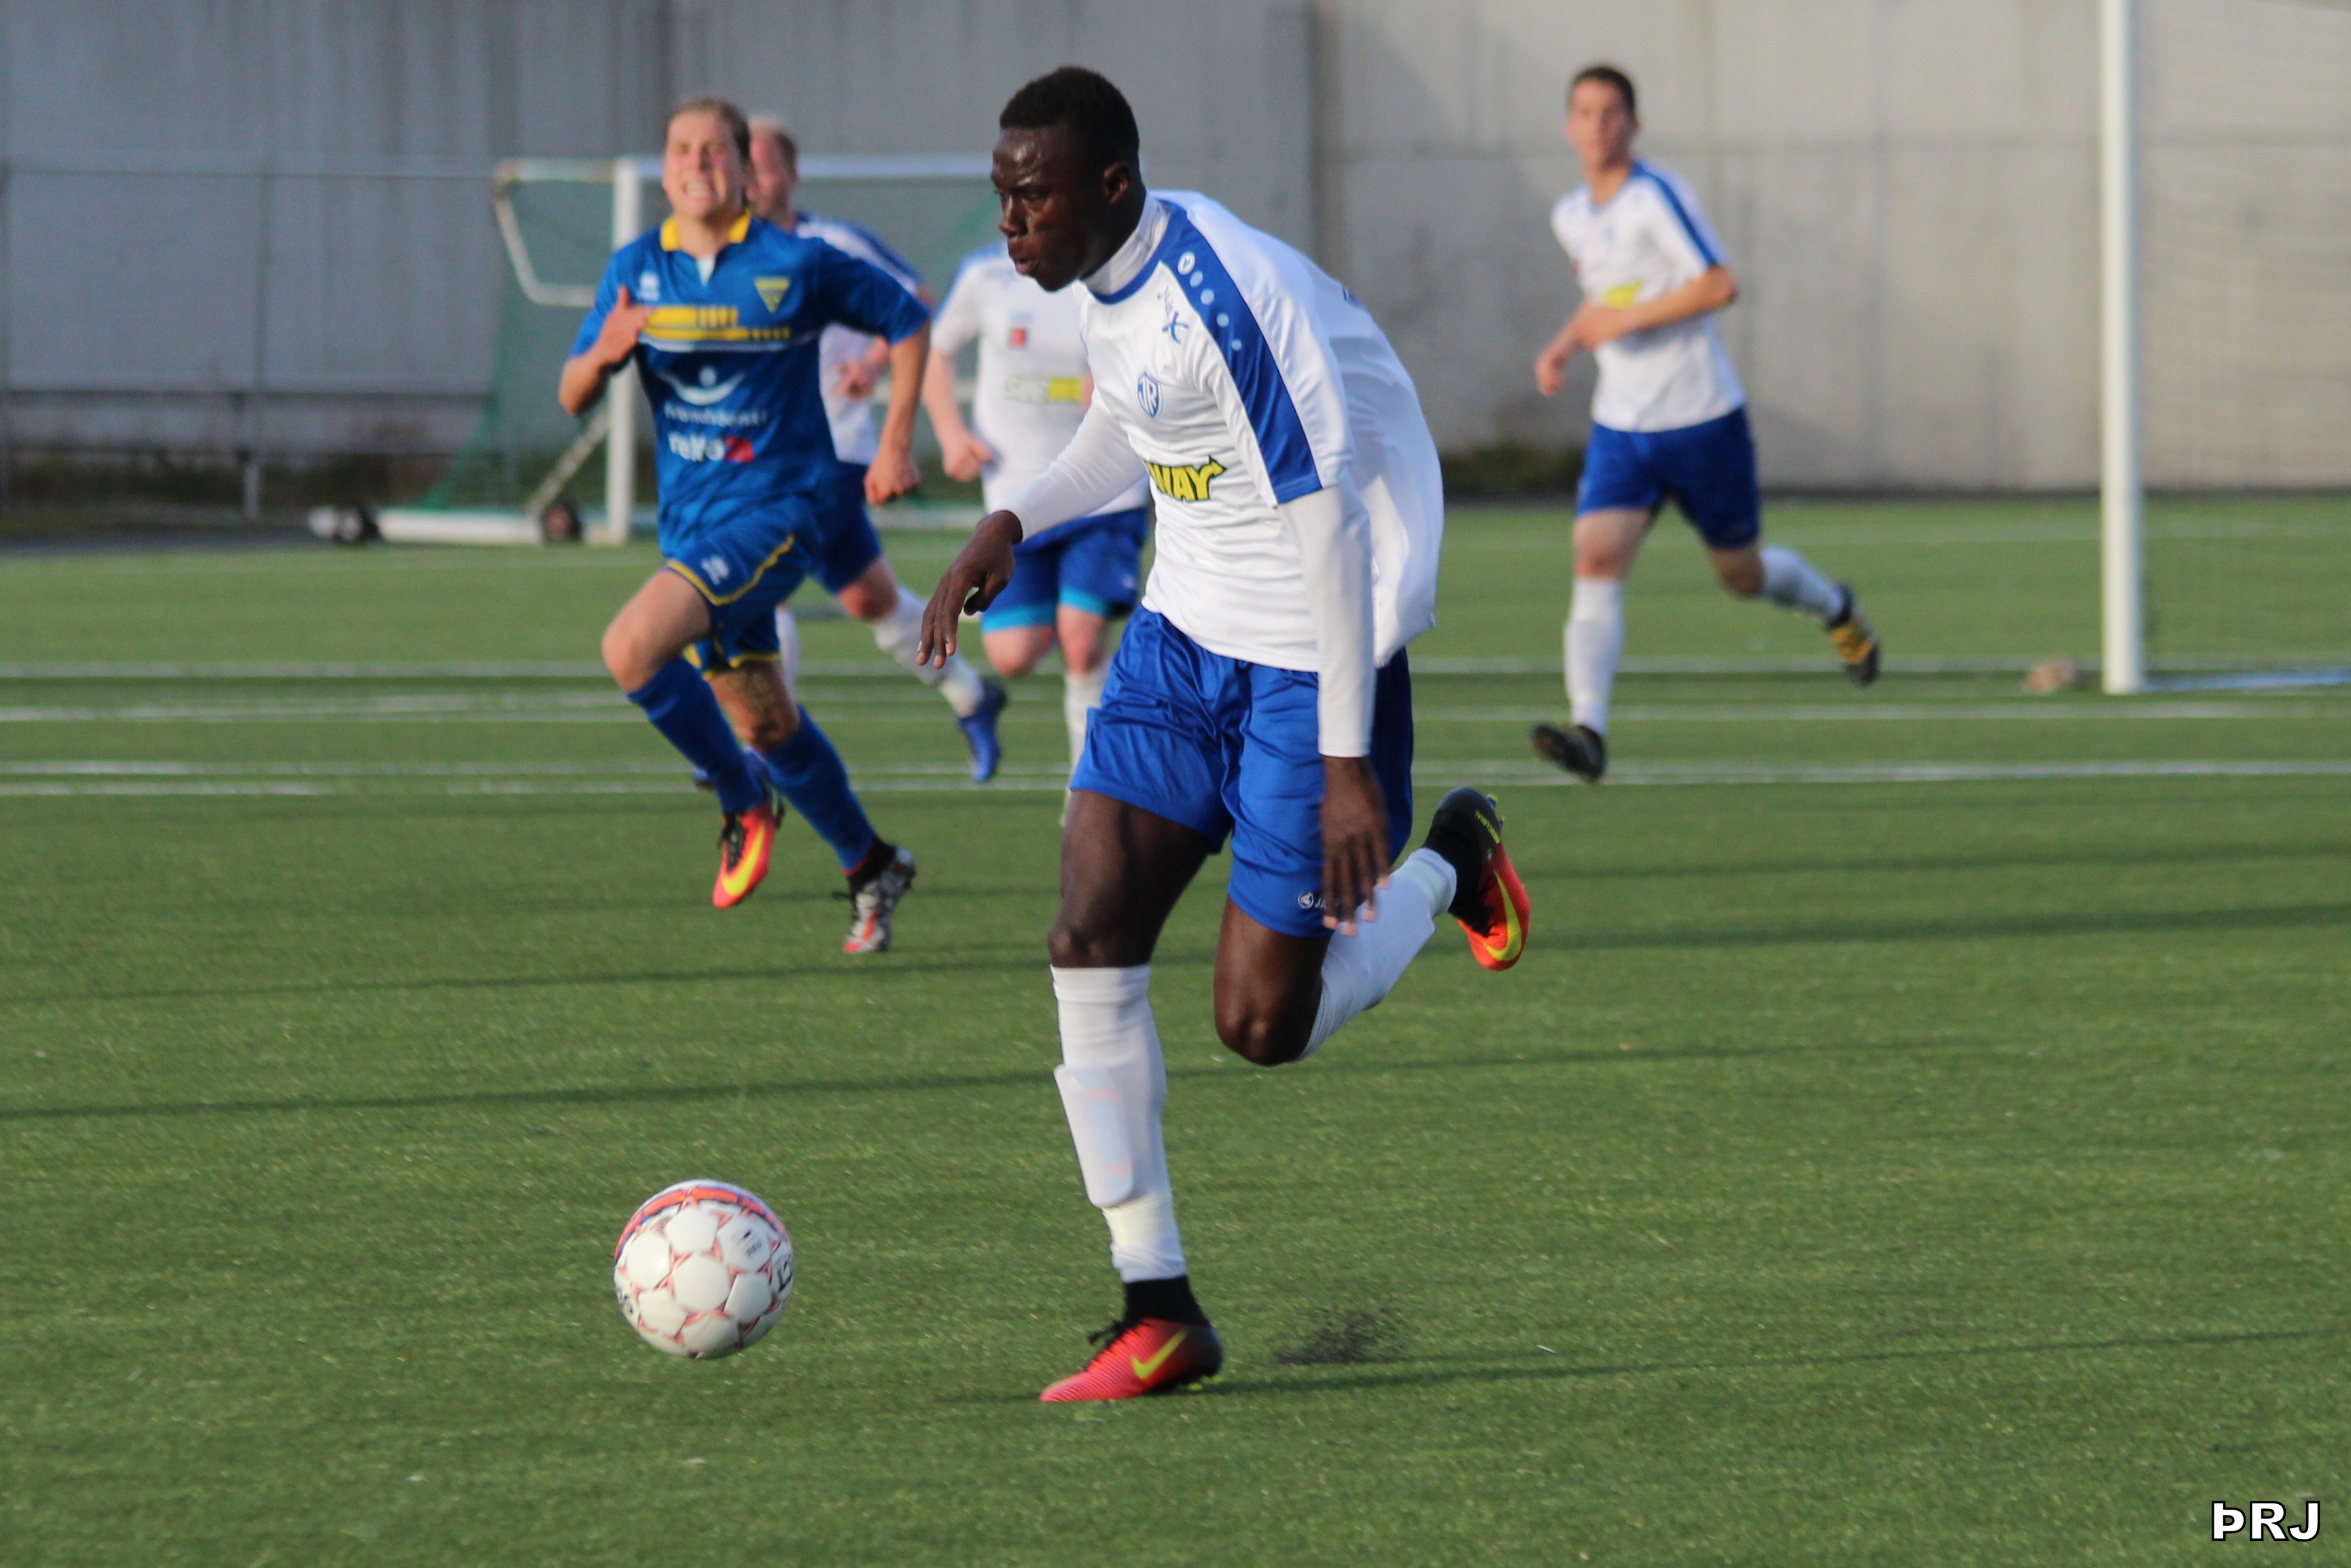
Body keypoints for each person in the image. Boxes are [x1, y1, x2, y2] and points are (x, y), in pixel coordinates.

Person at [921, 67, 1533, 1402]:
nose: (1010, 221)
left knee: (1262, 1023)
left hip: (1313, 658)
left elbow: (1330, 529)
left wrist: (1344, 763)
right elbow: (1132, 425)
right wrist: (1012, 520)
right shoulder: (1106, 281)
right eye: (1002, 195)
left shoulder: (1228, 294)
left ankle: (1450, 861)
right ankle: (1155, 1302)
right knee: (1087, 929)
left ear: (1111, 187)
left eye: (1032, 197)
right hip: (1181, 637)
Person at [563, 97, 922, 953]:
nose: (698, 163)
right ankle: (871, 862)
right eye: (682, 150)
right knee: (764, 721)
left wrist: (896, 443)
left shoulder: (794, 262)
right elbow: (573, 394)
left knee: (630, 648)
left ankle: (740, 796)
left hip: (783, 511)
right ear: (664, 169)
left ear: (744, 170)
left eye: (715, 150)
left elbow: (908, 319)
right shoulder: (635, 270)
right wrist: (605, 353)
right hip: (692, 525)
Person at [1532, 63, 1879, 784]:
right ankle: (1588, 729)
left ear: (1633, 124)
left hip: (1699, 419)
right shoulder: (1570, 214)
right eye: (1585, 113)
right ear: (1568, 126)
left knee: (1741, 576)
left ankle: (1834, 605)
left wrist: (1624, 320)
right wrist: (1565, 344)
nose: (1597, 125)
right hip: (1622, 426)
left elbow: (1718, 284)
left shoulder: (1655, 197)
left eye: (1610, 112)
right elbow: (1603, 296)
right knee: (1595, 558)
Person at [744, 118, 1009, 781]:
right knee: (870, 601)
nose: (752, 182)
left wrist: (869, 362)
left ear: (791, 175)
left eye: (765, 168)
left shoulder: (831, 242)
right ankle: (971, 695)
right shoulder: (724, 256)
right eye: (742, 169)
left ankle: (761, 747)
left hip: (834, 449)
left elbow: (913, 300)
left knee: (764, 584)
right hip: (757, 458)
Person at [923, 238, 1150, 780]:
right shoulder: (985, 275)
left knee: (1081, 641)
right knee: (1013, 655)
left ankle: (1087, 790)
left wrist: (1120, 377)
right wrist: (952, 436)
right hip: (1018, 497)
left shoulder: (1111, 270)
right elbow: (937, 351)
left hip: (1104, 489)